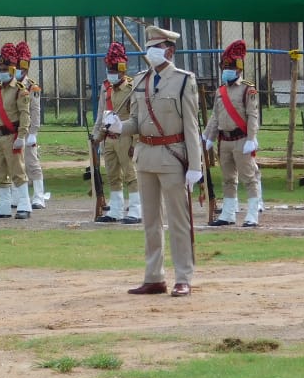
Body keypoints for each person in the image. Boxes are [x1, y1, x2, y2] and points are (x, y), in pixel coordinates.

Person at [102, 26, 201, 298]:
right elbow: (137, 121)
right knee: (150, 221)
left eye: (156, 47)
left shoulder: (183, 81)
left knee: (179, 221)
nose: (151, 52)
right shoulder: (141, 80)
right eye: (149, 47)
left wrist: (195, 165)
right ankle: (154, 276)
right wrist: (119, 126)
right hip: (145, 156)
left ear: (169, 50)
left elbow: (192, 126)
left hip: (172, 155)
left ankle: (183, 277)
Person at [205, 40, 262, 227]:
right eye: (224, 67)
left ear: (238, 69)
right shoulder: (220, 91)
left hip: (241, 139)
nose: (225, 71)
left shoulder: (248, 89)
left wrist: (252, 138)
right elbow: (215, 116)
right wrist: (208, 136)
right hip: (225, 140)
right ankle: (228, 214)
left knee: (249, 178)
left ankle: (252, 214)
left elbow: (253, 115)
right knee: (228, 179)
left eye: (229, 67)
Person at [91, 42, 141, 223]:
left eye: (114, 69)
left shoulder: (131, 89)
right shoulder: (106, 88)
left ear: (122, 69)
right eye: (109, 69)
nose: (110, 73)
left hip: (125, 137)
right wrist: (96, 137)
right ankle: (116, 210)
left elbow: (137, 118)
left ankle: (136, 210)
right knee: (113, 175)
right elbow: (100, 115)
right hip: (108, 139)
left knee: (130, 175)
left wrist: (135, 143)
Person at [0, 43, 32, 219]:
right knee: (0, 173)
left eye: (5, 68)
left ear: (12, 70)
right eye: (0, 68)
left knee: (17, 172)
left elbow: (25, 115)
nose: (1, 71)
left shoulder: (20, 91)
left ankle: (24, 205)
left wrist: (22, 136)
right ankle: (4, 206)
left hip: (12, 136)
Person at [16, 41, 51, 209]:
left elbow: (35, 111)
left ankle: (38, 197)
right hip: (13, 129)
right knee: (15, 165)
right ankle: (18, 197)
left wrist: (33, 133)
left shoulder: (32, 87)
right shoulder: (9, 85)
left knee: (32, 163)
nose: (17, 70)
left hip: (28, 130)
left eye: (20, 67)